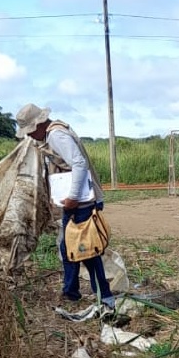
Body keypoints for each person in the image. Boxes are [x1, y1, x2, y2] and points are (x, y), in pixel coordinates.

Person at [15, 103, 116, 309]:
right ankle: (72, 292)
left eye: (30, 132)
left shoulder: (56, 136)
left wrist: (72, 196)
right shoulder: (55, 132)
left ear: (38, 125)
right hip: (79, 200)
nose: (31, 137)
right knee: (72, 246)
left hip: (80, 202)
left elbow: (79, 163)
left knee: (86, 249)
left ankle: (101, 295)